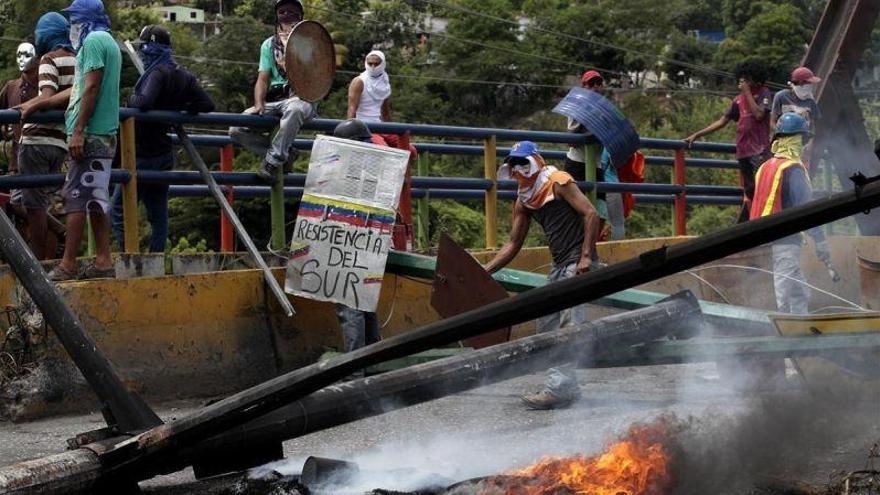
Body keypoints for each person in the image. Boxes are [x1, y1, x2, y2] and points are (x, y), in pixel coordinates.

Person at [485, 141, 600, 409]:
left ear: (535, 160)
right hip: (559, 263)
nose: (519, 170)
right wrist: (484, 271)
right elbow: (513, 244)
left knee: (568, 325)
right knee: (547, 325)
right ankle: (565, 387)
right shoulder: (524, 198)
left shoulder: (558, 181)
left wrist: (585, 257)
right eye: (514, 165)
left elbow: (591, 214)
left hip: (577, 262)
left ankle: (558, 389)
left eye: (523, 163)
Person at [20, 0, 120, 281]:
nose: (72, 26)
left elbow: (91, 87)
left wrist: (78, 130)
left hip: (89, 134)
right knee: (97, 199)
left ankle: (67, 265)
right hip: (105, 133)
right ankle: (103, 263)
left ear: (86, 18)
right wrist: (39, 104)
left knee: (74, 197)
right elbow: (78, 87)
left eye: (75, 19)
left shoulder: (92, 43)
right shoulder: (107, 41)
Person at [109, 25, 214, 253]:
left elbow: (143, 102)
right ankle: (156, 257)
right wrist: (178, 108)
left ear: (150, 49)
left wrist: (131, 97)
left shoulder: (157, 72)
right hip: (163, 154)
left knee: (117, 209)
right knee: (158, 214)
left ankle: (130, 256)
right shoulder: (182, 74)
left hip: (143, 154)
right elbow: (207, 104)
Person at [750, 113, 829, 314]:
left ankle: (800, 325)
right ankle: (782, 334)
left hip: (760, 237)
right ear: (795, 140)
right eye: (802, 140)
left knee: (798, 291)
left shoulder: (765, 167)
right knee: (783, 291)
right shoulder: (793, 169)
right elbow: (806, 209)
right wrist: (820, 241)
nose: (803, 145)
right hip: (784, 240)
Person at [229, 0, 315, 184]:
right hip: (275, 100)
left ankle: (272, 163)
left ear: (300, 16)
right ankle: (286, 154)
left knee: (295, 109)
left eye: (291, 11)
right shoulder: (269, 44)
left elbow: (317, 76)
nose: (286, 15)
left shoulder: (311, 42)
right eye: (282, 11)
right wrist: (259, 103)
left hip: (300, 98)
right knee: (236, 129)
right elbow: (263, 78)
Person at [16, 14, 76, 260]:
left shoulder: (48, 59)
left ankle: (36, 263)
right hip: (60, 141)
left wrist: (21, 109)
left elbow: (46, 95)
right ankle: (51, 252)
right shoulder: (77, 59)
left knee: (33, 206)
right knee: (39, 201)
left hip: (36, 139)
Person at [685, 62, 773, 223]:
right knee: (750, 191)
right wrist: (696, 135)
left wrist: (747, 93)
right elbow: (721, 121)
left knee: (763, 189)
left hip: (760, 151)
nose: (743, 82)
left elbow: (759, 114)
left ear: (754, 79)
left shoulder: (764, 93)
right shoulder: (738, 100)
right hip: (744, 151)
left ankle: (765, 222)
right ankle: (755, 224)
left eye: (746, 79)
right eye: (742, 79)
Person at [330, 118, 384, 353]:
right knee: (365, 303)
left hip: (345, 247)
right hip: (365, 244)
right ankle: (374, 360)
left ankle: (355, 369)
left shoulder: (334, 173)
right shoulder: (373, 172)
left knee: (351, 307)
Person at [563, 70, 626, 240]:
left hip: (597, 165)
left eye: (598, 84)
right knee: (574, 210)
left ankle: (591, 247)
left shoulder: (605, 109)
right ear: (584, 86)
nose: (596, 87)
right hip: (577, 162)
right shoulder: (576, 106)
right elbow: (571, 139)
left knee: (600, 211)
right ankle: (576, 248)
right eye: (591, 84)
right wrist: (591, 128)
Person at [771, 66, 821, 168]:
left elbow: (813, 126)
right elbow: (772, 121)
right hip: (783, 147)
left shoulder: (810, 102)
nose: (810, 86)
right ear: (800, 84)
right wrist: (783, 139)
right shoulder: (781, 96)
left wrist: (809, 145)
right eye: (808, 83)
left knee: (801, 173)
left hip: (802, 147)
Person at [0, 42, 39, 174]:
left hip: (41, 160)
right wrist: (3, 126)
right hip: (15, 164)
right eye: (19, 55)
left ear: (37, 58)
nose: (22, 59)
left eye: (27, 55)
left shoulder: (46, 88)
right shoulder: (11, 86)